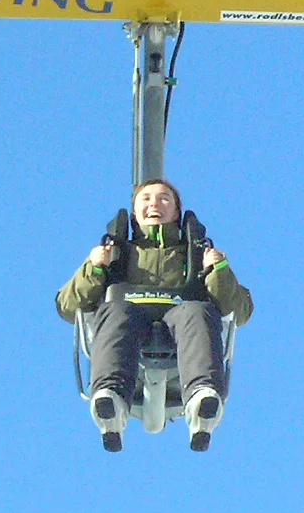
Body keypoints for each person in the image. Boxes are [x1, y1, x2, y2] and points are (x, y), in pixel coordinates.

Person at [56, 178, 252, 452]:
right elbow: (67, 305)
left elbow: (239, 310)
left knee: (197, 310)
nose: (154, 205)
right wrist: (95, 267)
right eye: (145, 199)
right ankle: (110, 400)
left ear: (176, 211)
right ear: (135, 212)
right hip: (130, 325)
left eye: (163, 199)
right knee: (115, 310)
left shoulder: (194, 256)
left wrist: (218, 271)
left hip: (180, 327)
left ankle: (202, 401)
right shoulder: (117, 255)